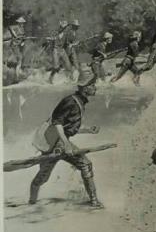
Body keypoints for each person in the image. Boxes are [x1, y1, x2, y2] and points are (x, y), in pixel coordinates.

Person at [29, 71, 104, 208]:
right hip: (57, 143)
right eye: (92, 84)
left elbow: (67, 127)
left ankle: (94, 201)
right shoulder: (70, 101)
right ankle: (32, 202)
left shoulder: (79, 102)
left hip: (61, 141)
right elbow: (57, 122)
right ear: (84, 87)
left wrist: (87, 130)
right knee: (46, 175)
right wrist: (66, 144)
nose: (95, 87)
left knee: (45, 174)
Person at [48, 20, 73, 84]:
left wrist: (70, 44)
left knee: (68, 65)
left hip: (62, 50)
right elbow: (51, 41)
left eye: (65, 27)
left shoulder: (66, 33)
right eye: (64, 27)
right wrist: (51, 40)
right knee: (56, 67)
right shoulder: (55, 33)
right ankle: (51, 77)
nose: (65, 28)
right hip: (56, 50)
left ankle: (71, 78)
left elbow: (67, 42)